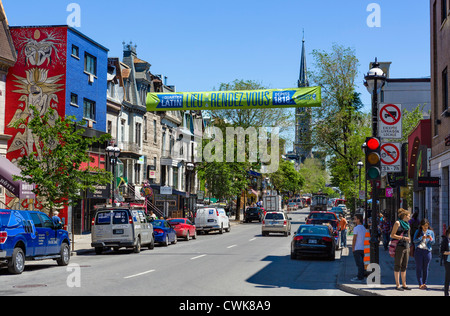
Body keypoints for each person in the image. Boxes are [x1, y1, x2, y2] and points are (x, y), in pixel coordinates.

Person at [390, 208, 412, 291]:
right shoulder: (397, 223)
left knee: (404, 266)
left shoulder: (407, 224)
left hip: (406, 246)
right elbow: (392, 235)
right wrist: (402, 237)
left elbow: (408, 234)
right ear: (405, 216)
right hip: (399, 246)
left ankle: (404, 284)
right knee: (397, 265)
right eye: (409, 216)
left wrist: (409, 242)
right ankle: (398, 284)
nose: (410, 217)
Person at [413, 219, 435, 290]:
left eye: (427, 226)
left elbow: (433, 243)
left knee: (426, 268)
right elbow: (414, 241)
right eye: (424, 226)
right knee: (419, 268)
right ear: (421, 226)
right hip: (419, 251)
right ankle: (420, 283)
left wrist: (430, 239)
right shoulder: (418, 231)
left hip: (427, 251)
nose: (426, 227)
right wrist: (421, 238)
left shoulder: (430, 232)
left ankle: (424, 283)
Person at [351, 214, 366, 283]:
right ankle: (361, 275)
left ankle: (360, 277)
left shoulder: (356, 228)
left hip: (357, 248)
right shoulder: (363, 228)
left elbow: (354, 239)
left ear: (358, 219)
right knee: (361, 263)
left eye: (355, 219)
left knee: (359, 264)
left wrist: (353, 247)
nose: (354, 220)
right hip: (363, 248)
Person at [440, 226, 450, 296]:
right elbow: (442, 251)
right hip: (448, 261)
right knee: (448, 277)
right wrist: (449, 252)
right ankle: (446, 293)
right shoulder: (445, 240)